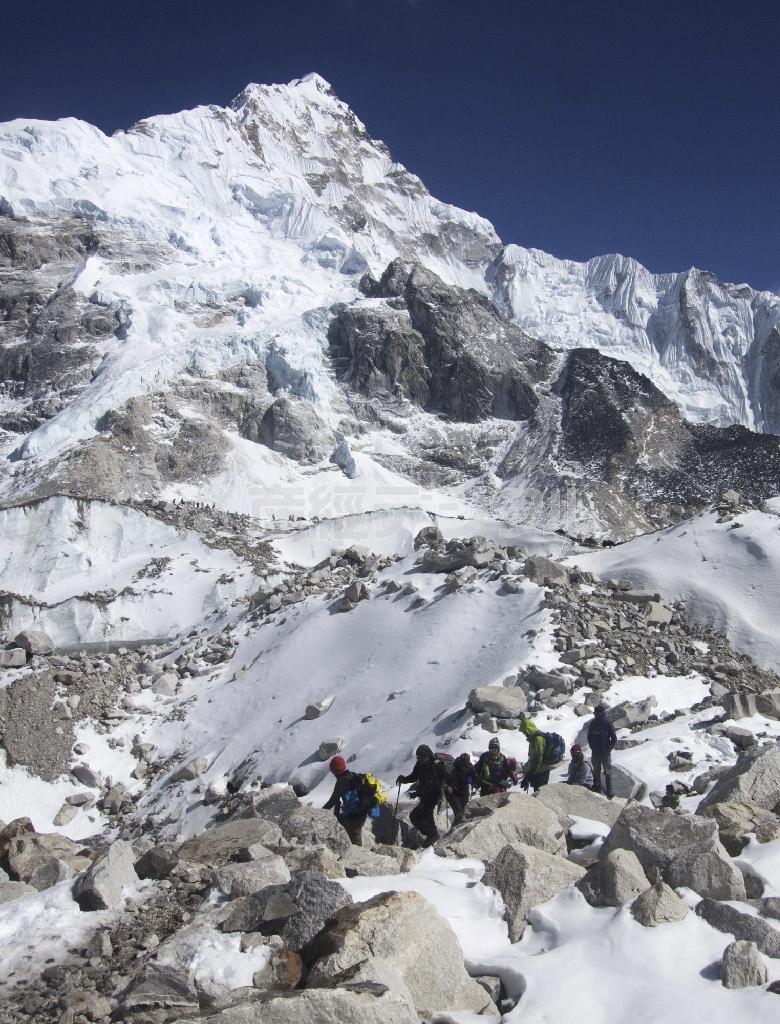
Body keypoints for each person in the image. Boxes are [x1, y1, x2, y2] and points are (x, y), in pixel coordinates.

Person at [396, 744, 444, 847]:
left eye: (421, 757)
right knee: (426, 815)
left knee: (415, 816)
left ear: (428, 755)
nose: (420, 759)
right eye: (418, 757)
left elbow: (433, 783)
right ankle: (432, 835)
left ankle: (432, 835)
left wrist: (419, 792)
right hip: (425, 794)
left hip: (434, 794)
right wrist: (403, 779)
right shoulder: (420, 763)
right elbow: (414, 776)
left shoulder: (435, 765)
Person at [323, 755, 370, 846]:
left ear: (335, 770)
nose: (333, 773)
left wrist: (317, 812)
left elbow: (332, 801)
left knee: (354, 835)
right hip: (362, 812)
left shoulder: (342, 781)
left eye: (332, 771)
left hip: (354, 816)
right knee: (355, 831)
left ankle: (358, 854)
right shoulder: (352, 775)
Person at [518, 717, 561, 793]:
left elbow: (538, 759)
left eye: (525, 732)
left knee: (539, 794)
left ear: (529, 730)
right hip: (538, 772)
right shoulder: (533, 739)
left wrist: (529, 775)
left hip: (542, 773)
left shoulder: (538, 739)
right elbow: (533, 758)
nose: (524, 734)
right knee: (537, 793)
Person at [587, 704, 617, 798]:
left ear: (601, 713)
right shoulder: (593, 723)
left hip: (605, 753)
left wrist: (609, 748)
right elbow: (589, 737)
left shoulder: (607, 723)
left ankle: (610, 791)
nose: (596, 714)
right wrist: (592, 747)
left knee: (607, 771)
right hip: (596, 752)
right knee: (596, 771)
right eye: (595, 713)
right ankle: (597, 787)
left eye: (597, 713)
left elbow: (614, 738)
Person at [445, 752, 474, 825]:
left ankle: (458, 827)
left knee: (463, 812)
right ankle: (456, 829)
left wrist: (470, 785)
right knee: (459, 812)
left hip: (464, 791)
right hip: (453, 793)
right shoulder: (454, 767)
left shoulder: (469, 766)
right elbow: (448, 778)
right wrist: (449, 786)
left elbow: (471, 776)